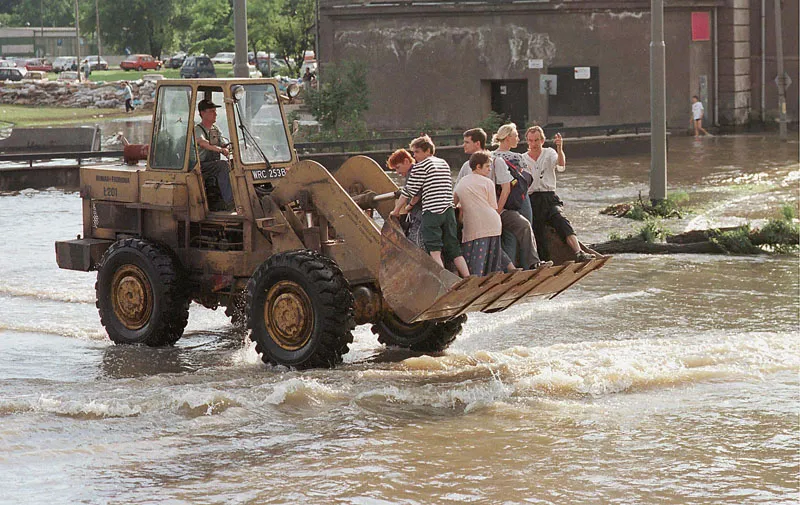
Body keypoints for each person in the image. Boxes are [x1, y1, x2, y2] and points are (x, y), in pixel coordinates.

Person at [455, 127, 545, 270]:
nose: (488, 169)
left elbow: (506, 188)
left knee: (524, 225)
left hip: (497, 209)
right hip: (479, 214)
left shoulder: (497, 162)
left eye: (466, 142)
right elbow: (458, 193)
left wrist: (498, 211)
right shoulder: (467, 167)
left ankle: (533, 262)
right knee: (496, 236)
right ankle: (508, 268)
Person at [390, 135, 470, 278]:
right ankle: (468, 277)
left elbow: (408, 191)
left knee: (434, 249)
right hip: (449, 210)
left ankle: (444, 279)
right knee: (454, 248)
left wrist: (396, 211)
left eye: (416, 152)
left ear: (427, 151)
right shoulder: (443, 163)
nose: (414, 156)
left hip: (433, 211)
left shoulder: (422, 166)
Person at [523, 126, 594, 262]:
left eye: (536, 140)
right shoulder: (523, 158)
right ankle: (540, 260)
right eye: (531, 141)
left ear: (542, 140)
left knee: (561, 220)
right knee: (536, 229)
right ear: (527, 141)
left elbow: (561, 165)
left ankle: (579, 252)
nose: (534, 144)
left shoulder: (549, 153)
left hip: (549, 196)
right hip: (532, 198)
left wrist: (560, 148)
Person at [454, 151, 515, 276]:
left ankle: (473, 281)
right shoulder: (488, 183)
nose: (489, 170)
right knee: (493, 256)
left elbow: (454, 202)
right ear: (478, 166)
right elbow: (493, 205)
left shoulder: (461, 183)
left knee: (474, 259)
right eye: (487, 166)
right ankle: (502, 274)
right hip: (493, 223)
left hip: (473, 224)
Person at [195, 99, 235, 211]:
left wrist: (233, 147)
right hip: (200, 166)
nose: (215, 114)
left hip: (212, 165)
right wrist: (220, 150)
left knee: (234, 164)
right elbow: (202, 143)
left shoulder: (215, 129)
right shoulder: (198, 129)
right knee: (222, 166)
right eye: (212, 111)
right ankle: (229, 202)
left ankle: (235, 197)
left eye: (215, 111)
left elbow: (223, 143)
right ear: (203, 113)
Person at [387, 148, 424, 248]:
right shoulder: (418, 171)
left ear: (406, 161)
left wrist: (408, 207)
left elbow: (416, 195)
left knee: (416, 243)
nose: (398, 172)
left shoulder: (412, 173)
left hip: (420, 214)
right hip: (424, 213)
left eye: (398, 167)